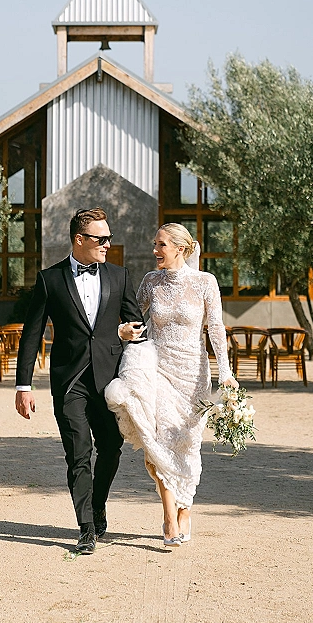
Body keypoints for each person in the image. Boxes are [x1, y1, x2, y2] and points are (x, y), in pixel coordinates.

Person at [15, 207, 144, 555]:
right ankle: (86, 527)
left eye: (109, 238)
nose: (107, 244)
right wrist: (23, 386)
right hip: (69, 381)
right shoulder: (49, 280)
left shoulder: (120, 276)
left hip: (108, 381)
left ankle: (97, 502)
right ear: (79, 239)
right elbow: (31, 335)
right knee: (78, 454)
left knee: (112, 448)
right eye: (101, 239)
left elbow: (137, 328)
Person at [105, 223, 238, 547]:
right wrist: (122, 332)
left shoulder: (206, 282)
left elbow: (216, 329)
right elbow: (133, 315)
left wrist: (226, 372)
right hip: (159, 371)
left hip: (193, 376)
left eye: (161, 244)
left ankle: (185, 509)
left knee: (188, 445)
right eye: (155, 243)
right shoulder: (152, 281)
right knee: (158, 441)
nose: (155, 250)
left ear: (179, 247)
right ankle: (168, 515)